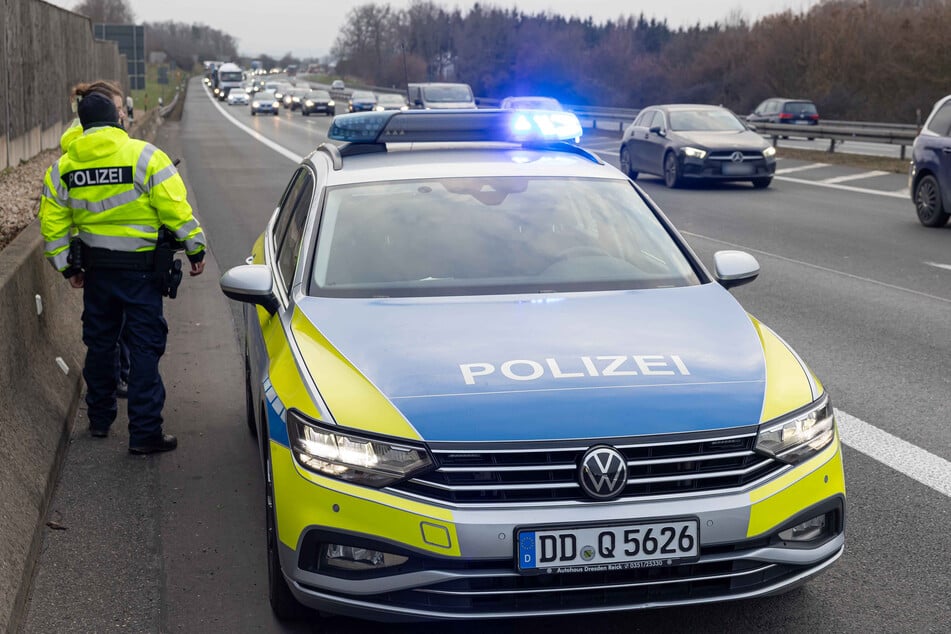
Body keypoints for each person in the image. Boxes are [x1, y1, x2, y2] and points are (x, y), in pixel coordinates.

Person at [40, 82, 206, 454]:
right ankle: (145, 434)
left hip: (97, 275)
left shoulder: (62, 169)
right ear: (118, 117)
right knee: (144, 349)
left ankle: (100, 420)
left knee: (100, 345)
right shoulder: (146, 157)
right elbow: (176, 211)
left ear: (81, 125)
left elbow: (52, 227)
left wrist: (68, 268)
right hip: (142, 274)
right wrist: (196, 248)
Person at [59, 81, 133, 398]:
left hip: (96, 258)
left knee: (108, 333)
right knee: (112, 334)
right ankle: (114, 388)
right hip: (105, 256)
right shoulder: (86, 150)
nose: (122, 115)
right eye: (117, 110)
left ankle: (105, 403)